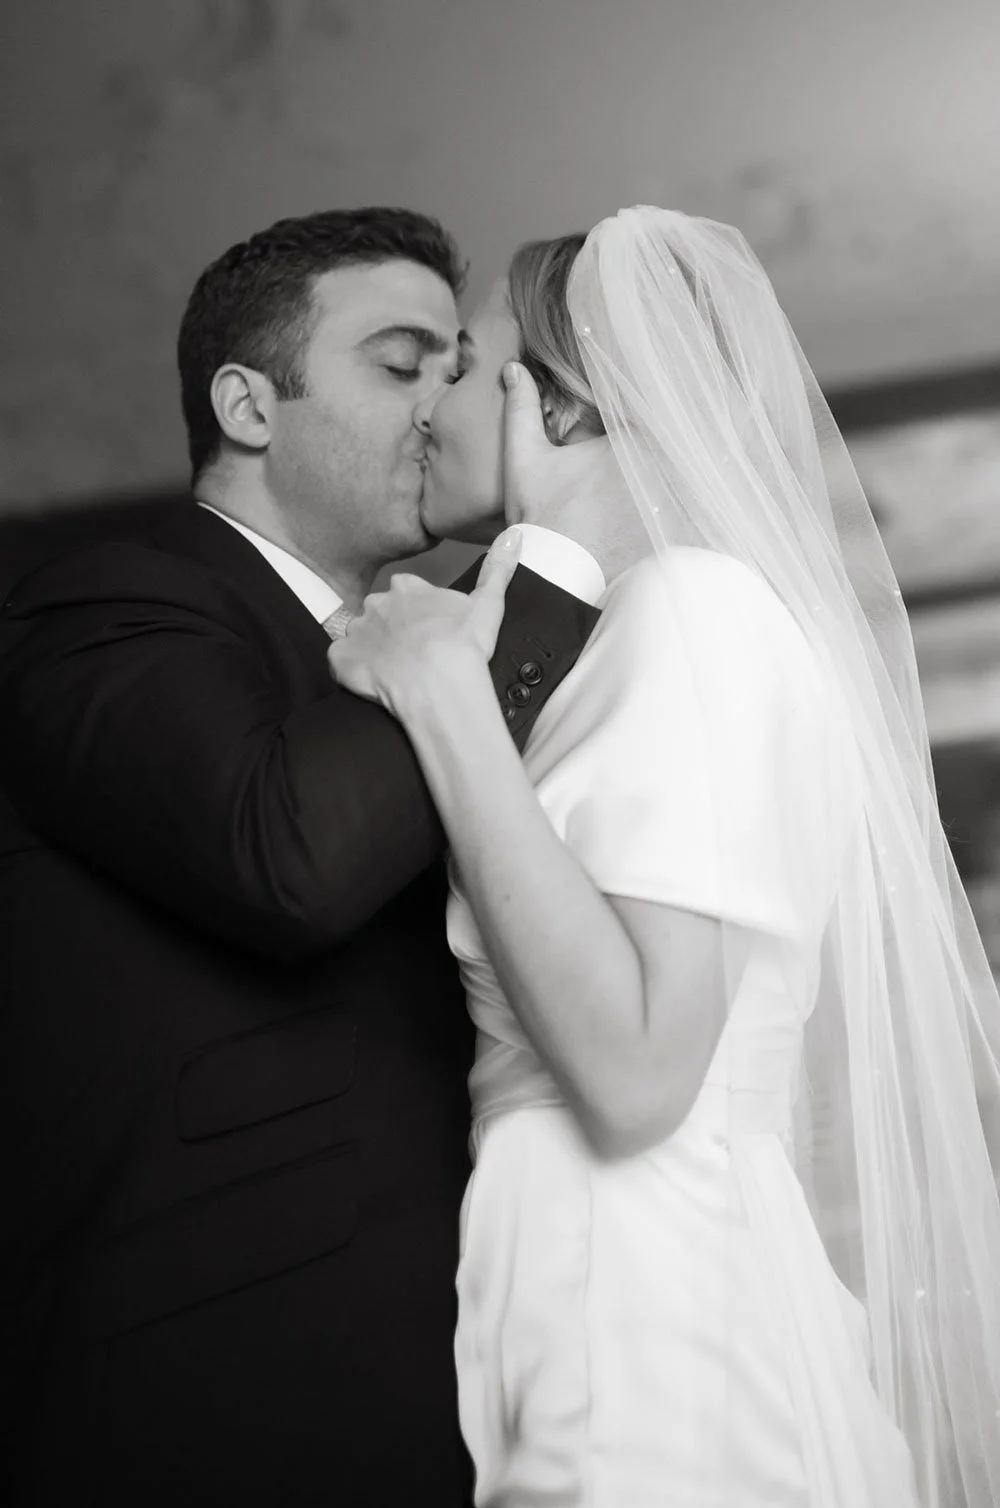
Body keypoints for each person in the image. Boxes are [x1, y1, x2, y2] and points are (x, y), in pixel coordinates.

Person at [329, 208, 1000, 1506]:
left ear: (564, 405)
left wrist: (442, 699)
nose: (429, 405)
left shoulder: (694, 616)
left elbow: (638, 1074)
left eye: (460, 366)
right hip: (595, 1268)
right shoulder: (643, 629)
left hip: (642, 1304)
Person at [0, 207, 607, 1507]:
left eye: (460, 371)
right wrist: (553, 564)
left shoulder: (433, 641)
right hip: (218, 1403)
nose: (446, 407)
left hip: (468, 1378)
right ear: (248, 404)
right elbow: (292, 858)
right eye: (403, 366)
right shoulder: (105, 606)